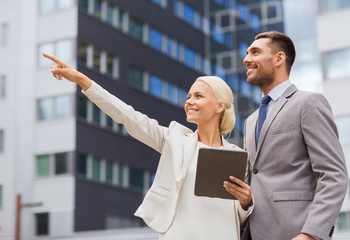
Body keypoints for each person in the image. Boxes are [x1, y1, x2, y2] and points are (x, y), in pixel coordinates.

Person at [43, 53, 254, 240]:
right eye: (188, 96)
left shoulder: (236, 156)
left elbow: (238, 213)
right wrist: (82, 80)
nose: (189, 101)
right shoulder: (174, 140)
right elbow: (127, 115)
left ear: (220, 106)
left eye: (198, 96)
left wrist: (246, 202)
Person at [237, 31, 348, 240]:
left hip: (295, 232)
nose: (246, 59)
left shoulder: (308, 103)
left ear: (279, 58)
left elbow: (334, 175)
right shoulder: (250, 121)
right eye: (247, 53)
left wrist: (311, 234)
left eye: (255, 52)